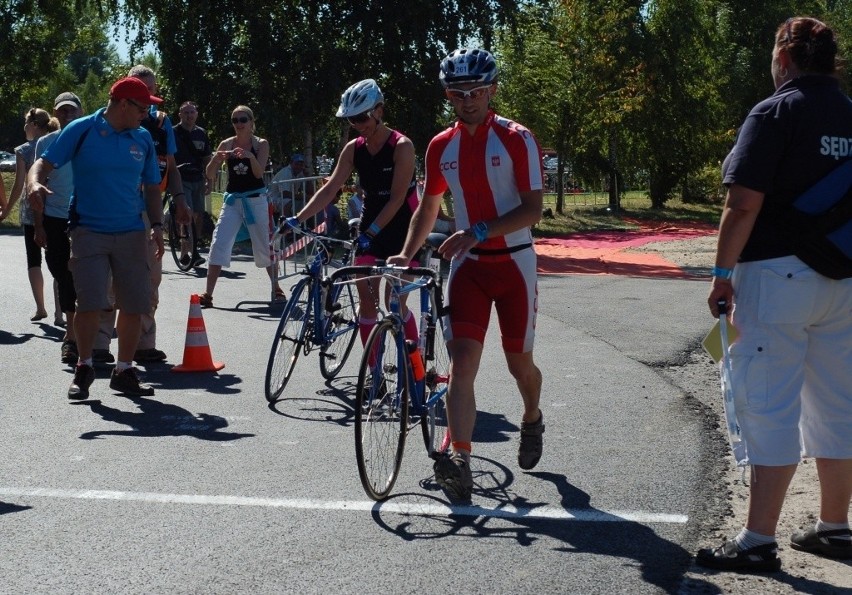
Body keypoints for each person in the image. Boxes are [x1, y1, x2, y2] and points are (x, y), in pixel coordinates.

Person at [695, 17, 852, 571]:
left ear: (784, 57)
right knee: (838, 404)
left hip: (777, 279)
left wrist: (720, 274)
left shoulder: (776, 111)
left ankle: (758, 542)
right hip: (843, 282)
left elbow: (742, 204)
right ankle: (834, 527)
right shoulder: (850, 114)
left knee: (768, 404)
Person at [388, 48, 545, 501]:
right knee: (463, 366)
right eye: (458, 94)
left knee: (520, 364)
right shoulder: (441, 146)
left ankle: (532, 415)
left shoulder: (517, 138)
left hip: (514, 262)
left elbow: (532, 210)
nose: (468, 100)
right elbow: (429, 209)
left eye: (476, 91)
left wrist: (477, 230)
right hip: (470, 268)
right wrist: (405, 253)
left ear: (492, 90)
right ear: (448, 96)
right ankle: (459, 459)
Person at [28, 76, 175, 399]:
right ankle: (84, 366)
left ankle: (124, 371)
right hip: (88, 230)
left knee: (135, 304)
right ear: (124, 104)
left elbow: (152, 186)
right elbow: (43, 162)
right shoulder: (82, 129)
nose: (146, 114)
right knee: (90, 303)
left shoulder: (143, 139)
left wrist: (157, 226)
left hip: (132, 233)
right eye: (142, 107)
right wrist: (35, 183)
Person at [286, 78, 420, 349]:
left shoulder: (402, 146)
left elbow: (396, 199)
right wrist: (297, 218)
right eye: (351, 120)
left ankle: (413, 365)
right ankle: (374, 375)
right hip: (372, 223)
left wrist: (370, 233)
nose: (358, 125)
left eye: (361, 117)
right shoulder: (354, 148)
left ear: (379, 111)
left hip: (404, 228)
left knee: (393, 301)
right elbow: (331, 188)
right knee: (366, 302)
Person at [95, 65, 189, 365]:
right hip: (114, 208)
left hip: (150, 210)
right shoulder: (107, 121)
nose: (148, 100)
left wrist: (180, 199)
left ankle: (143, 343)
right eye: (143, 93)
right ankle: (99, 345)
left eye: (152, 92)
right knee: (109, 280)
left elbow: (171, 167)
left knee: (150, 278)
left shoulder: (161, 124)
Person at [200, 105, 284, 307]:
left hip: (256, 199)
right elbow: (210, 174)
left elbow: (258, 173)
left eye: (243, 120)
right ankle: (208, 293)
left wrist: (250, 156)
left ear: (251, 122)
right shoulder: (226, 143)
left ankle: (276, 287)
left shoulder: (260, 144)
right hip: (233, 200)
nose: (239, 124)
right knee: (219, 241)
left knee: (265, 243)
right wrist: (216, 160)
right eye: (235, 120)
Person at [31, 92, 85, 362]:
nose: (67, 115)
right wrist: (38, 225)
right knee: (61, 272)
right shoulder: (46, 142)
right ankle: (74, 329)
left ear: (81, 111)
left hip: (85, 216)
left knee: (82, 276)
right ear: (55, 113)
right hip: (53, 216)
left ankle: (73, 337)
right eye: (62, 111)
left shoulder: (89, 139)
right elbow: (37, 184)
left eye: (72, 110)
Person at [2, 108, 61, 324]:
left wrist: (6, 210)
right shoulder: (57, 142)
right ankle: (59, 312)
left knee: (34, 259)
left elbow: (19, 186)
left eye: (26, 123)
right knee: (59, 258)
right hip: (54, 206)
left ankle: (40, 308)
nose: (24, 127)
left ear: (34, 124)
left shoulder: (24, 150)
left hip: (31, 209)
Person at [174, 100, 212, 267]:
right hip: (180, 178)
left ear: (197, 114)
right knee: (186, 213)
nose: (189, 115)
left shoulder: (201, 133)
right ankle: (189, 249)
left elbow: (207, 159)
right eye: (186, 112)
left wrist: (209, 180)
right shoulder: (173, 132)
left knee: (198, 215)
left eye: (192, 112)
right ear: (180, 114)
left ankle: (191, 248)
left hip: (198, 178)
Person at [269, 153, 313, 220]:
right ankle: (287, 225)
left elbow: (310, 191)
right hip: (274, 199)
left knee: (306, 202)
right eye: (296, 164)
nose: (299, 166)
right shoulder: (285, 173)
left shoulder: (300, 173)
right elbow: (285, 193)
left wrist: (307, 176)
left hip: (288, 197)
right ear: (291, 163)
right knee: (289, 203)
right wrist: (304, 197)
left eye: (301, 164)